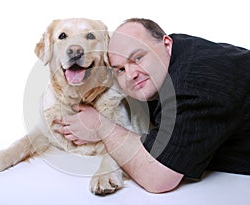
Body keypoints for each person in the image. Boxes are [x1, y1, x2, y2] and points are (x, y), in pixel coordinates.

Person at [54, 18, 250, 193]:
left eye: (138, 57)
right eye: (120, 69)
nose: (131, 74)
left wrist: (100, 126)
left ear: (166, 43)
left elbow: (157, 178)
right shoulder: (176, 52)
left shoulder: (195, 84)